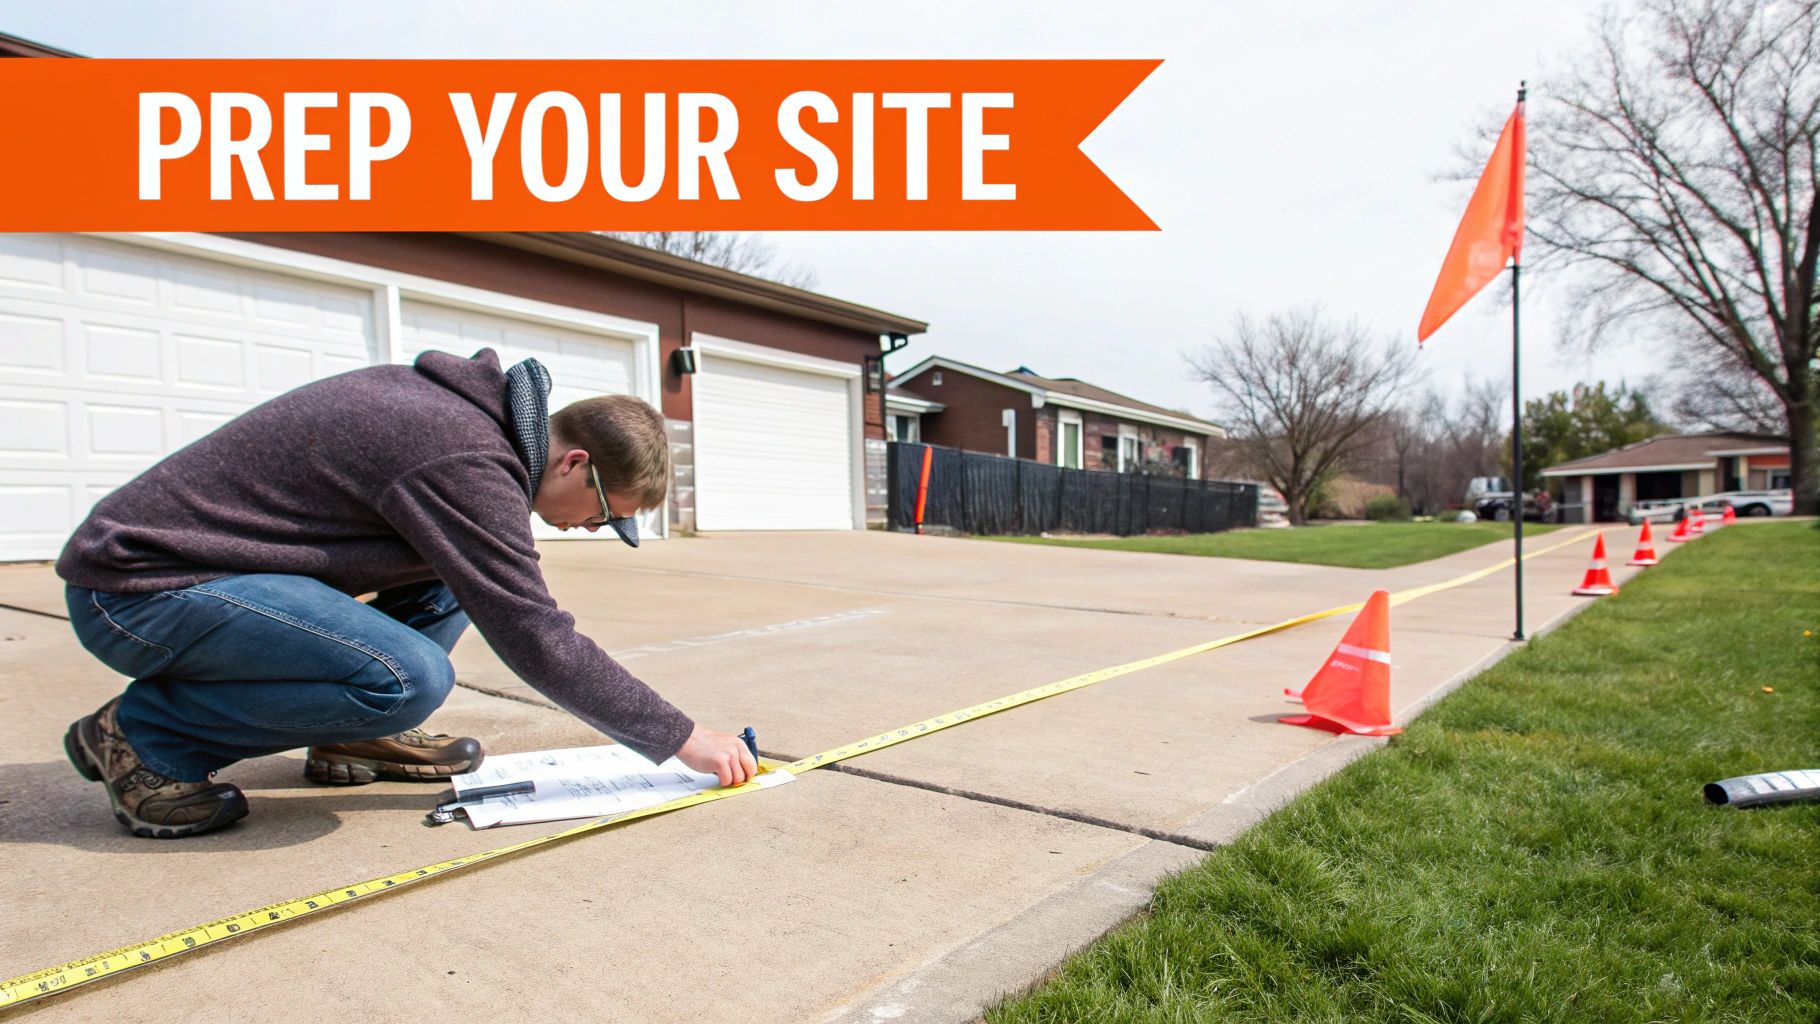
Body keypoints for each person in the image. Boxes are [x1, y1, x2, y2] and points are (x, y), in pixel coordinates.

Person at [56, 348, 757, 839]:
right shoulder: (465, 459)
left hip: (215, 576)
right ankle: (144, 739)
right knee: (406, 678)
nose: (599, 526)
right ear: (575, 462)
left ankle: (349, 732)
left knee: (462, 577)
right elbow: (535, 634)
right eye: (607, 511)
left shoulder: (475, 432)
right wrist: (681, 738)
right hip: (139, 591)